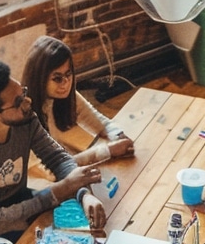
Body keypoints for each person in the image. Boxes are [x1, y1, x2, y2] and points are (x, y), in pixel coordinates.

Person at [0, 57, 106, 241]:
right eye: (18, 102)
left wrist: (83, 194)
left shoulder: (25, 120)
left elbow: (57, 158)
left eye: (23, 92)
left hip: (14, 201)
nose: (28, 101)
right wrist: (60, 190)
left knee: (73, 228)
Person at [22, 35, 135, 165]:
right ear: (39, 79)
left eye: (68, 74)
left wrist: (118, 135)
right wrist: (107, 151)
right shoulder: (25, 116)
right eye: (57, 78)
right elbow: (53, 170)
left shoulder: (66, 96)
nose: (66, 83)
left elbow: (99, 122)